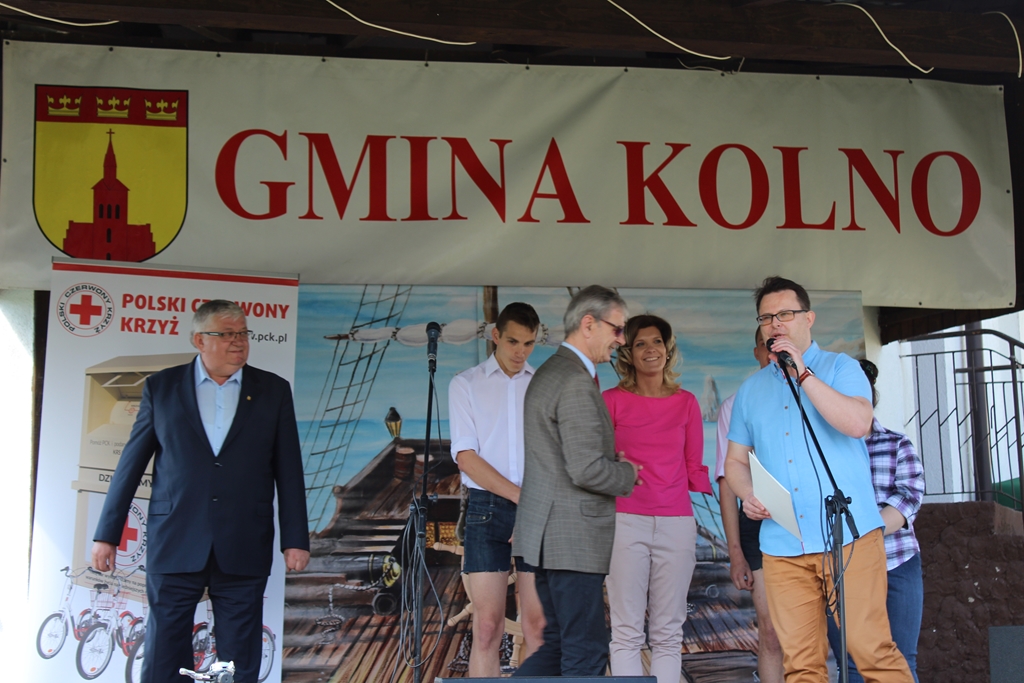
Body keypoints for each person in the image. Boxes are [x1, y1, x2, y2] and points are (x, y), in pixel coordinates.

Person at [91, 300, 310, 683]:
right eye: (226, 334)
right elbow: (130, 465)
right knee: (164, 655)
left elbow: (288, 470)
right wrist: (107, 535)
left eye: (243, 333)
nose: (238, 342)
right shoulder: (161, 388)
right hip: (175, 539)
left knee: (239, 661)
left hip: (244, 541)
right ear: (199, 340)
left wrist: (295, 540)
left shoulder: (273, 390)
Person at [724, 276, 912, 683]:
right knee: (802, 665)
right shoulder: (751, 390)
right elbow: (735, 462)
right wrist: (748, 494)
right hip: (783, 544)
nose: (775, 324)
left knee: (871, 651)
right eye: (766, 318)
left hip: (849, 538)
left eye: (785, 314)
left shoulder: (842, 367)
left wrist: (804, 374)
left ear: (808, 318)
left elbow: (858, 423)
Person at [511, 285, 640, 677]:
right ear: (588, 324)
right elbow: (585, 469)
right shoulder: (575, 381)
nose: (621, 340)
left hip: (547, 537)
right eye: (617, 329)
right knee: (585, 653)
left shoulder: (551, 372)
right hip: (572, 540)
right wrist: (627, 473)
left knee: (559, 648)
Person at [603, 314, 712, 683]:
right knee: (626, 631)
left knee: (668, 633)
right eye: (640, 343)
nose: (650, 349)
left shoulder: (687, 402)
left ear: (668, 349)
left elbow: (693, 465)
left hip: (676, 522)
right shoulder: (611, 401)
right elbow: (599, 465)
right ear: (628, 353)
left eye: (657, 342)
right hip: (624, 520)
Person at [448, 302, 546, 676]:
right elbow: (466, 459)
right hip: (487, 508)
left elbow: (552, 455)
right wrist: (521, 499)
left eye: (529, 343)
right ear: (495, 336)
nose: (521, 351)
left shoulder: (542, 384)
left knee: (536, 626)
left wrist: (532, 506)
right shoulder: (465, 383)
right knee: (487, 626)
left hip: (535, 505)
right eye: (513, 341)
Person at [826, 359, 924, 683]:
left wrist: (868, 532)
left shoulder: (896, 443)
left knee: (901, 657)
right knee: (852, 664)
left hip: (897, 561)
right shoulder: (825, 453)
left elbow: (909, 497)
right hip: (843, 567)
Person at [715, 327, 784, 683]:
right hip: (758, 523)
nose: (773, 354)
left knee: (811, 630)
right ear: (757, 352)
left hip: (810, 521)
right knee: (771, 630)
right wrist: (735, 553)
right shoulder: (735, 404)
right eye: (766, 346)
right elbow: (728, 483)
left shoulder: (813, 395)